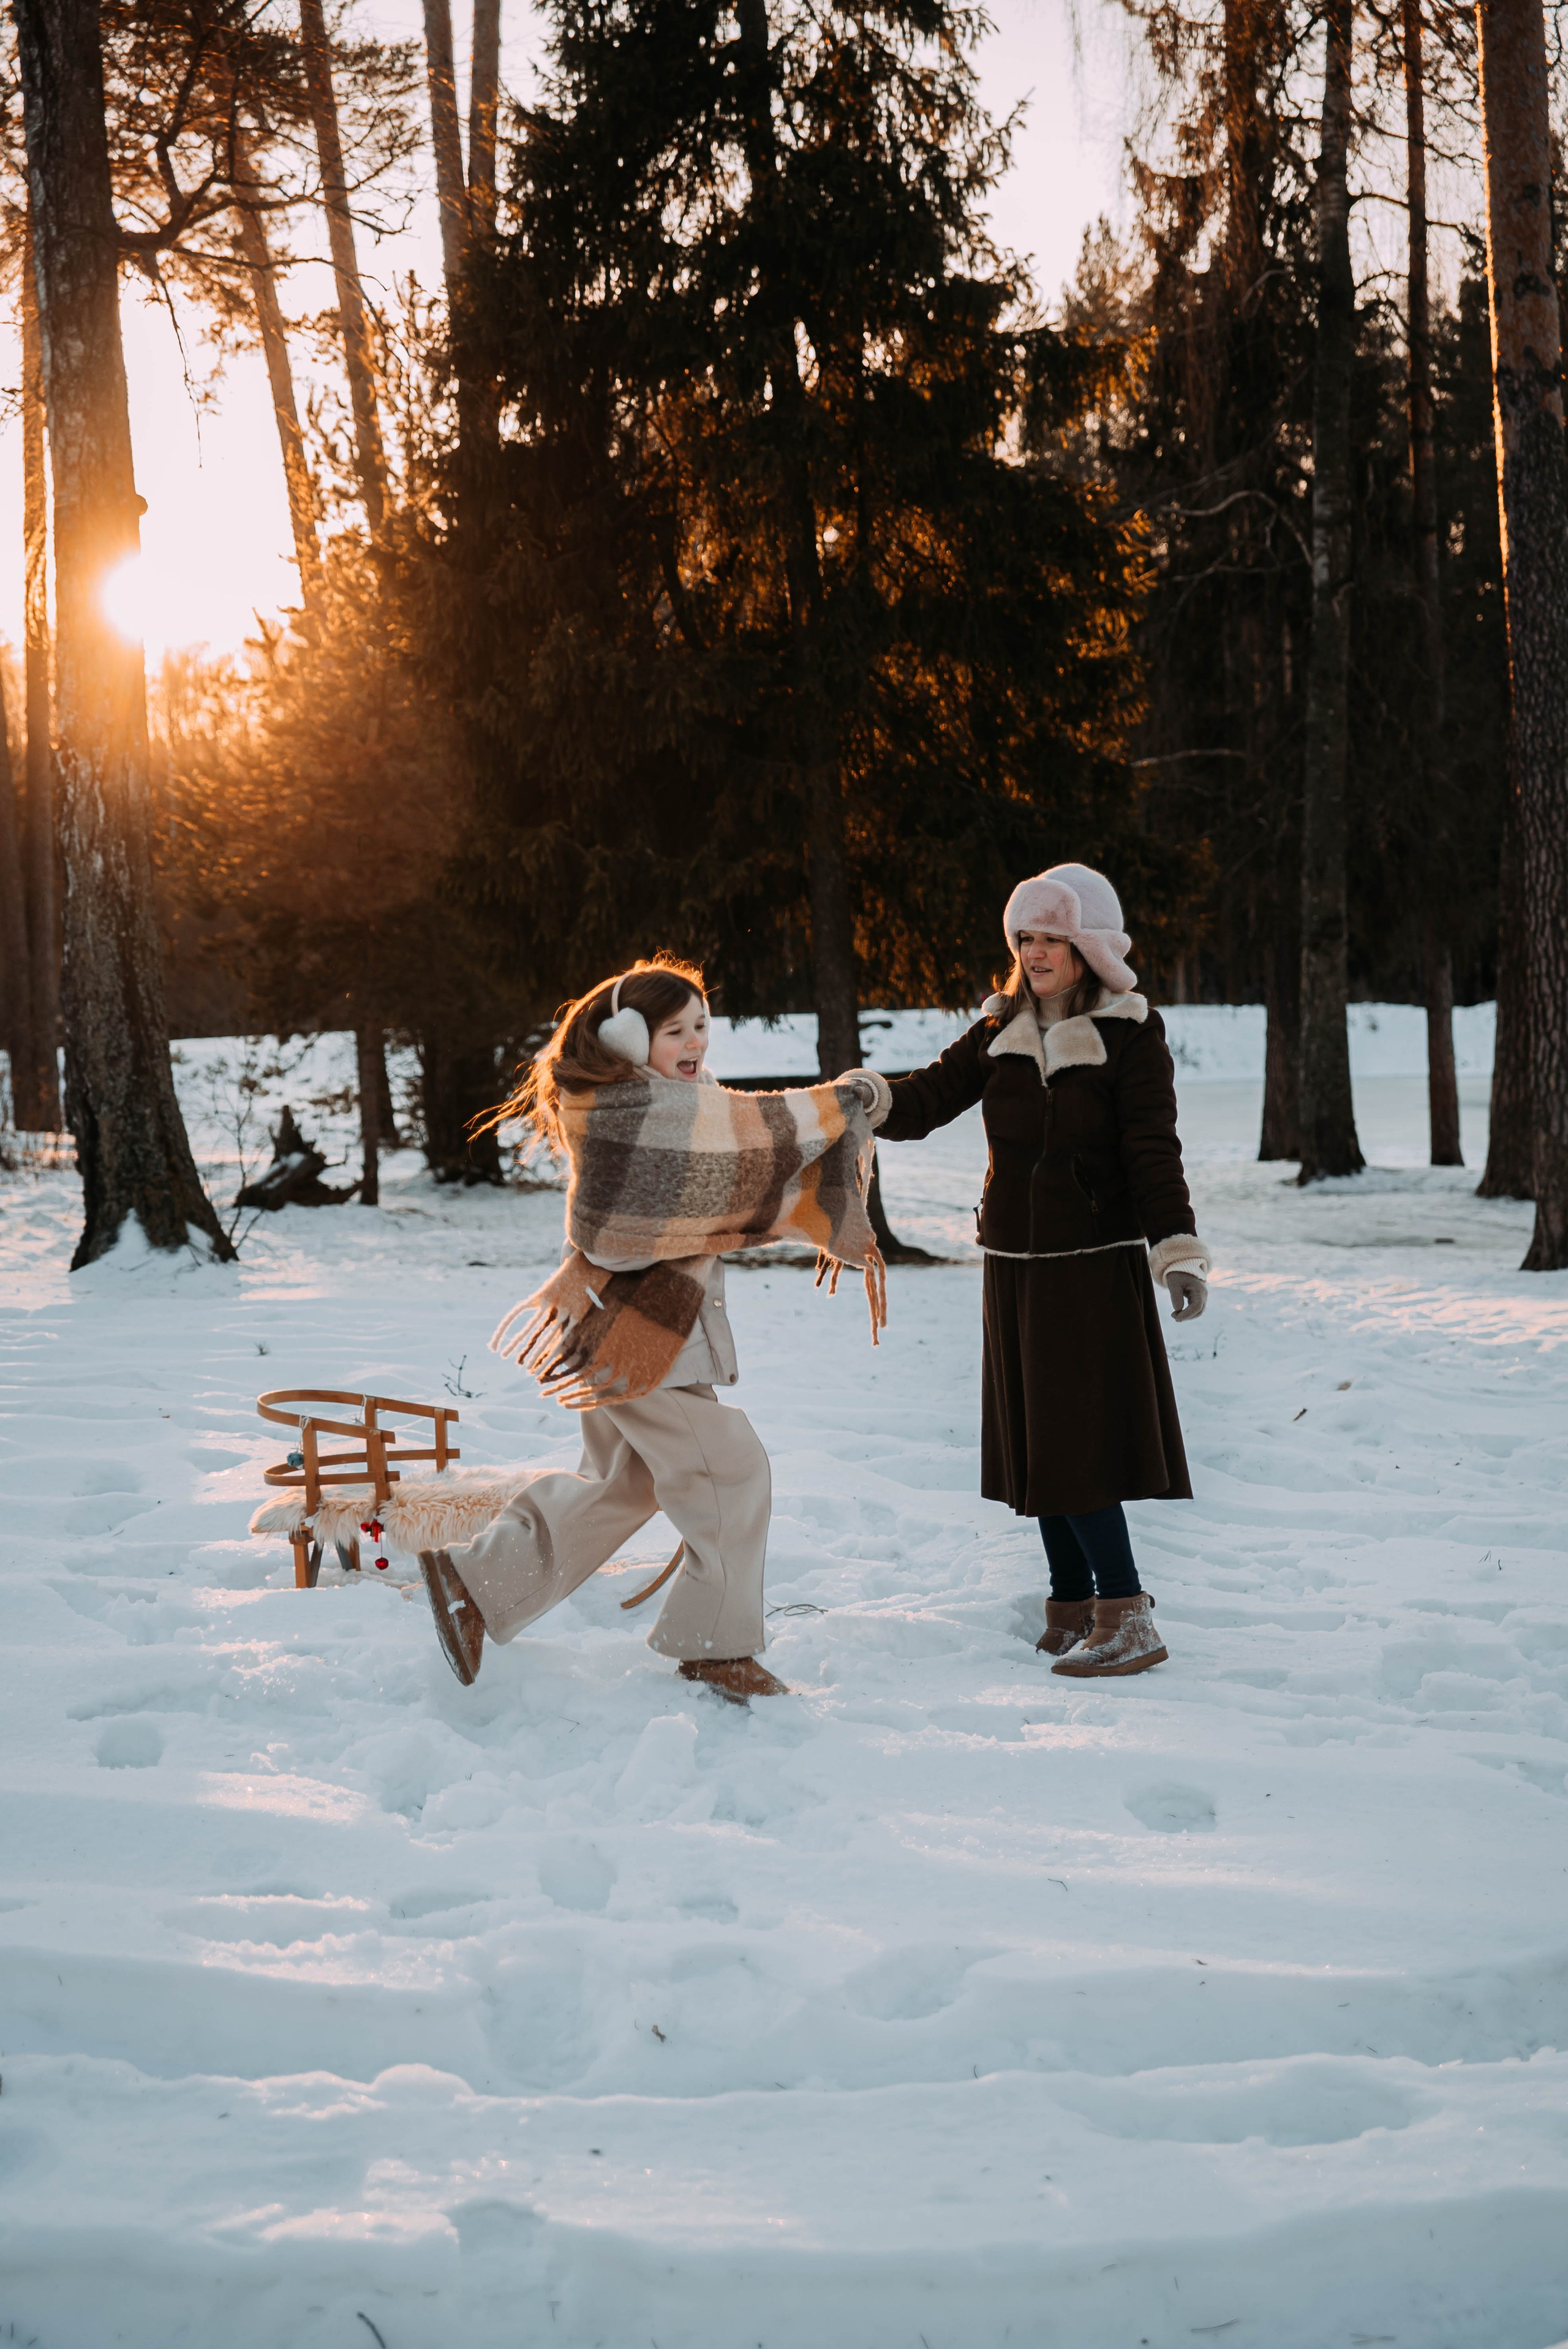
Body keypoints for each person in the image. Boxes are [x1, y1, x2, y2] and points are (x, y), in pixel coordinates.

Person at [418, 956, 887, 1705]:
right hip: (639, 1342)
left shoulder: (674, 1106)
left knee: (623, 1484)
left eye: (701, 1025)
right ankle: (717, 1649)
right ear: (631, 1039)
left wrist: (839, 1111)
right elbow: (740, 1147)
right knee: (732, 1472)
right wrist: (843, 1103)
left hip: (630, 1336)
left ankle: (473, 1584)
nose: (695, 1041)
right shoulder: (637, 1115)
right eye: (675, 1030)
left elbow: (745, 1146)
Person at [870, 864, 1211, 1678]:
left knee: (1074, 1439)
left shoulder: (1131, 1030)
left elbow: (1152, 1150)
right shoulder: (997, 1028)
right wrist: (855, 1100)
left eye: (1049, 937)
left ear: (1085, 942)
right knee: (1037, 1435)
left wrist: (1176, 1249)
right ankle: (1070, 1603)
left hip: (1089, 1264)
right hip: (1014, 1262)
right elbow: (920, 1102)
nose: (1033, 952)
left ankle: (1125, 1610)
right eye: (1023, 938)